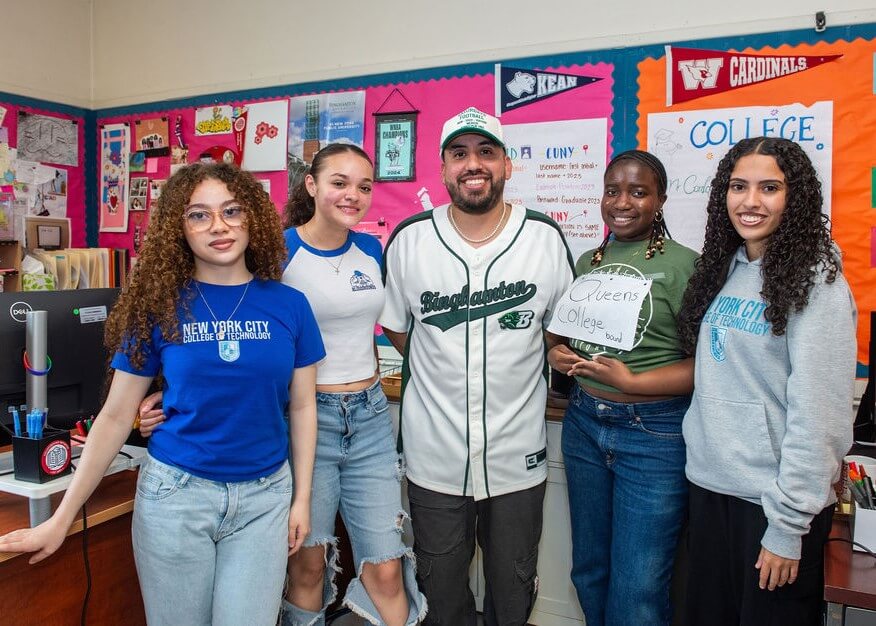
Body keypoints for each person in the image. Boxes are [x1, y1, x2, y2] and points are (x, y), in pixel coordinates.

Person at [0, 162, 324, 626]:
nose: (219, 226)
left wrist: (302, 499)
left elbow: (304, 405)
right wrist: (60, 518)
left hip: (264, 498)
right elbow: (114, 417)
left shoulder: (290, 305)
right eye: (199, 215)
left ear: (252, 216)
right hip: (177, 497)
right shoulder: (159, 306)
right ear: (179, 229)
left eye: (231, 210)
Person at [380, 107, 574, 626]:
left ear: (507, 165)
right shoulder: (410, 240)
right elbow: (401, 330)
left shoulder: (545, 239)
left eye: (486, 152)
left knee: (513, 594)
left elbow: (556, 330)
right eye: (460, 153)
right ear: (443, 168)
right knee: (441, 595)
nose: (474, 164)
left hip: (517, 456)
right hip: (433, 456)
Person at [677, 137, 855, 626]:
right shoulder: (728, 267)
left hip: (771, 506)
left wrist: (787, 528)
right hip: (712, 490)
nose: (750, 201)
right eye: (739, 186)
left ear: (794, 198)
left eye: (769, 188)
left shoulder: (818, 281)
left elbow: (820, 417)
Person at [547, 149, 698, 626]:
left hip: (653, 434)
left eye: (638, 191)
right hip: (586, 424)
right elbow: (562, 337)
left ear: (661, 200)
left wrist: (632, 381)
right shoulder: (587, 260)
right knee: (589, 572)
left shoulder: (686, 265)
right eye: (613, 190)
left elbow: (707, 366)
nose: (622, 201)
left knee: (639, 586)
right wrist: (557, 353)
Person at [280, 144, 426, 626]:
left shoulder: (370, 249)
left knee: (385, 568)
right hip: (307, 418)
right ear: (311, 185)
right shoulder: (280, 251)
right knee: (308, 563)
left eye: (364, 186)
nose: (353, 195)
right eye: (339, 183)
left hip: (369, 419)